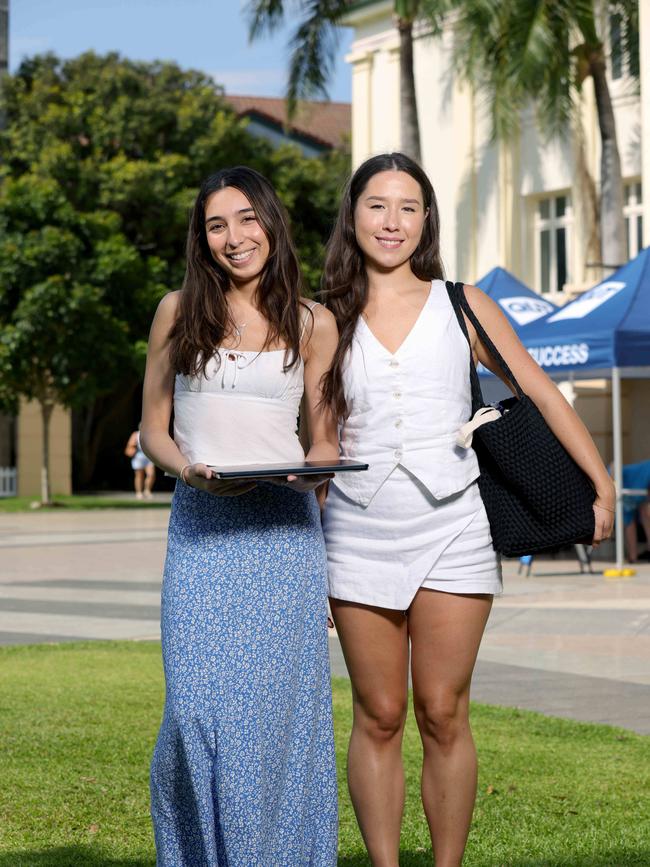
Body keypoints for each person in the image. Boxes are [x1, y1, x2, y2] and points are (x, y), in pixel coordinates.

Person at [319, 152, 615, 867]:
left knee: (443, 711)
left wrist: (600, 482)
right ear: (353, 214)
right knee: (379, 713)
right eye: (378, 205)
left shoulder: (464, 302)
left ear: (426, 221)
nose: (392, 221)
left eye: (408, 207)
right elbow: (313, 437)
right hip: (354, 529)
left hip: (453, 526)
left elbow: (540, 391)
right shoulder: (324, 315)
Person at [140, 166, 339, 865]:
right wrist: (186, 467)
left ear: (272, 223)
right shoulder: (177, 310)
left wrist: (311, 470)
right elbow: (155, 430)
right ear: (202, 238)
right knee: (194, 717)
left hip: (285, 537)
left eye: (247, 218)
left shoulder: (314, 322)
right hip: (202, 530)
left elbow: (323, 438)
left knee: (277, 724)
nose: (235, 236)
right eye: (217, 224)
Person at [621, 459, 650, 562]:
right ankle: (633, 556)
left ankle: (633, 556)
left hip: (632, 486)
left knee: (635, 517)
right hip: (628, 486)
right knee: (636, 517)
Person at [124, 427, 155, 499]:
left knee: (151, 474)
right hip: (139, 456)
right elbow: (130, 445)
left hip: (148, 456)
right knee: (139, 475)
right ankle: (139, 492)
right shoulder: (136, 434)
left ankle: (147, 490)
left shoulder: (150, 434)